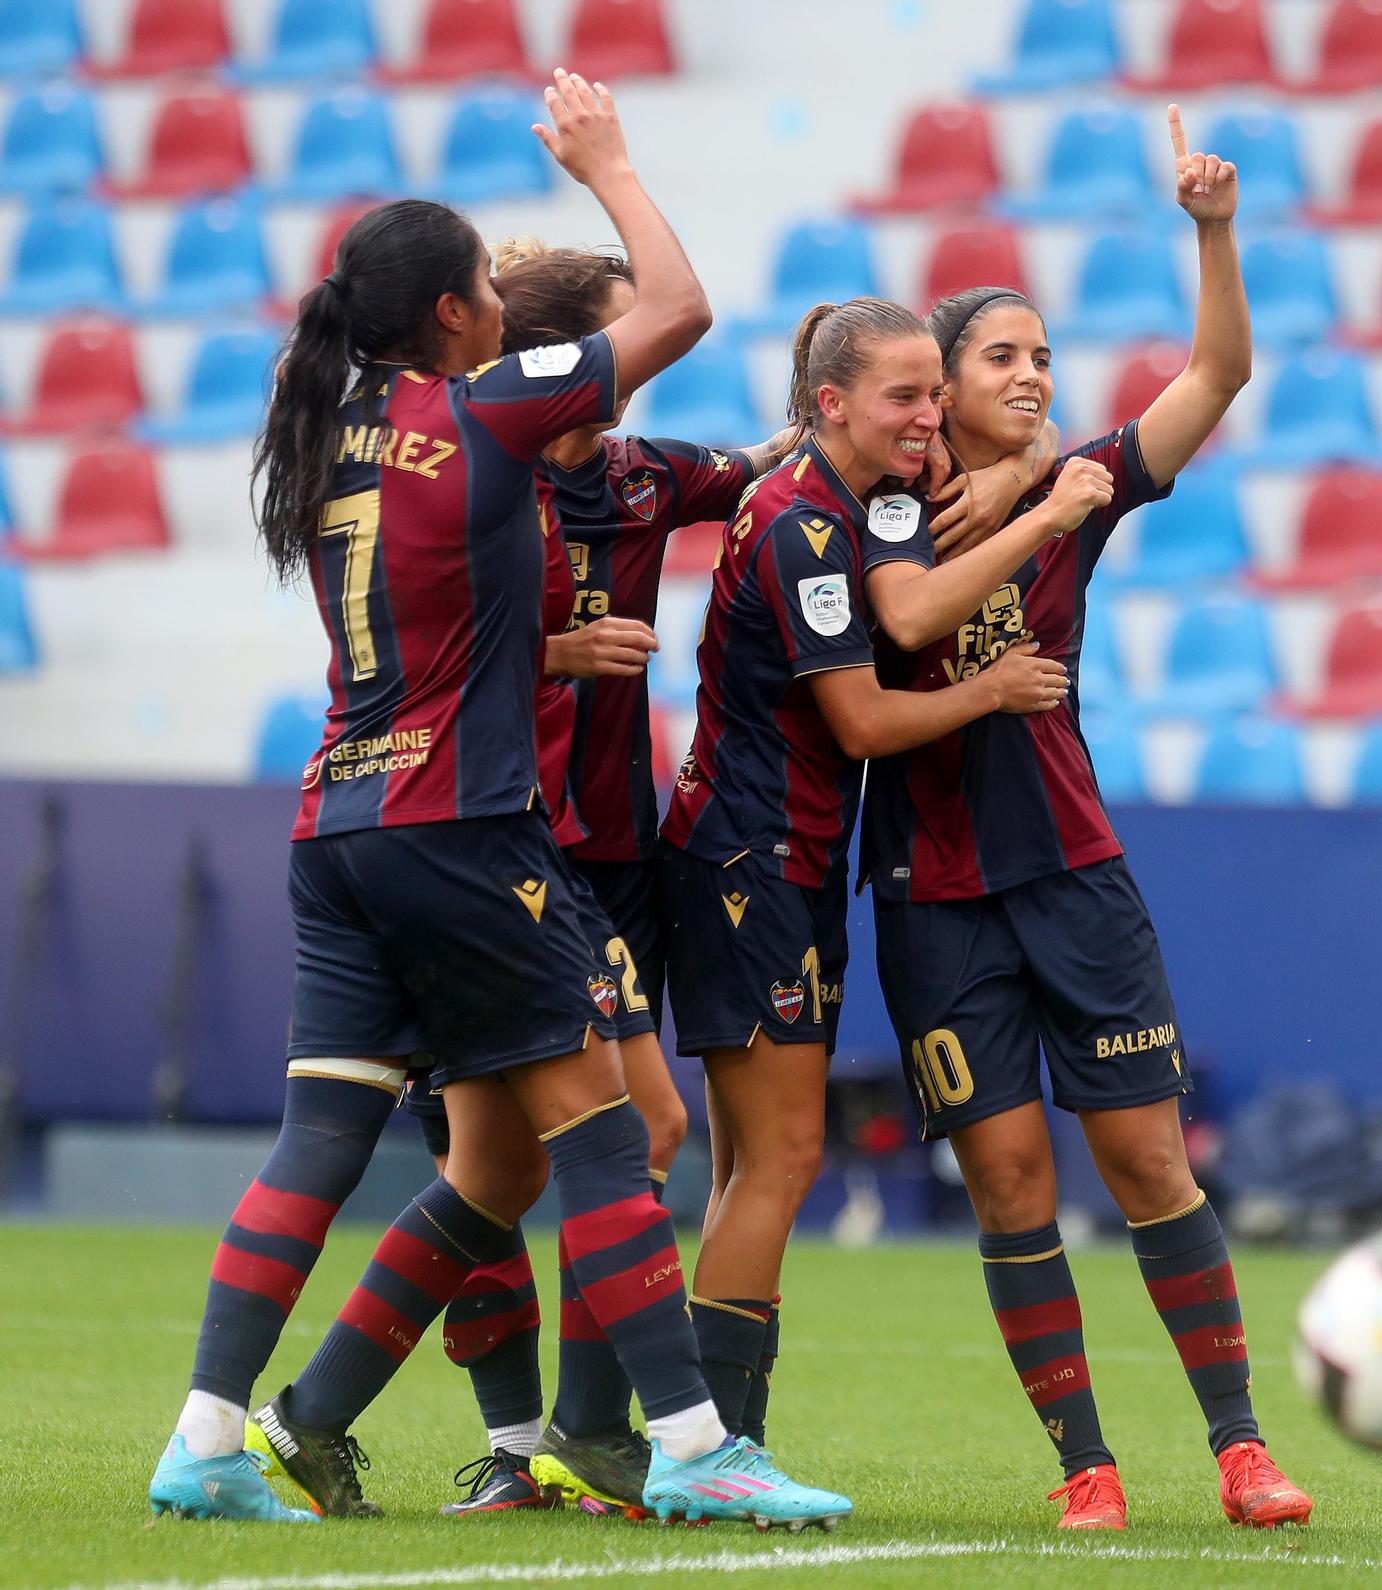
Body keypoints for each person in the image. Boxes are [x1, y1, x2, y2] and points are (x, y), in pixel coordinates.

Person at [150, 71, 844, 1533]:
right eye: (478, 281)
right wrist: (610, 163)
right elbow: (678, 306)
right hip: (462, 828)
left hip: (332, 825)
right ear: (464, 319)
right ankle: (695, 1442)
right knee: (607, 1131)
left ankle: (215, 1436)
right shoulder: (484, 417)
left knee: (327, 1145)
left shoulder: (323, 429)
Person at [860, 106, 1314, 1532]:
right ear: (937, 382)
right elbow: (897, 610)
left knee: (1144, 1160)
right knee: (1006, 1175)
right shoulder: (877, 510)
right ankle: (1085, 1467)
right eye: (1005, 354)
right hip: (931, 891)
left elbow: (1221, 370)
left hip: (1072, 871)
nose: (1036, 372)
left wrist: (1214, 229)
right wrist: (1021, 498)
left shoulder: (1087, 485)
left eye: (1044, 354)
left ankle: (1241, 1447)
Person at [658, 295, 1108, 1448]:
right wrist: (989, 691)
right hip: (751, 862)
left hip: (775, 860)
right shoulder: (808, 526)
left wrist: (1029, 465)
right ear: (830, 404)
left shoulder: (846, 502)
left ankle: (703, 1438)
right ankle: (712, 1449)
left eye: (930, 395)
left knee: (751, 1163)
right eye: (904, 398)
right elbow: (858, 720)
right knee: (785, 1156)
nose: (927, 417)